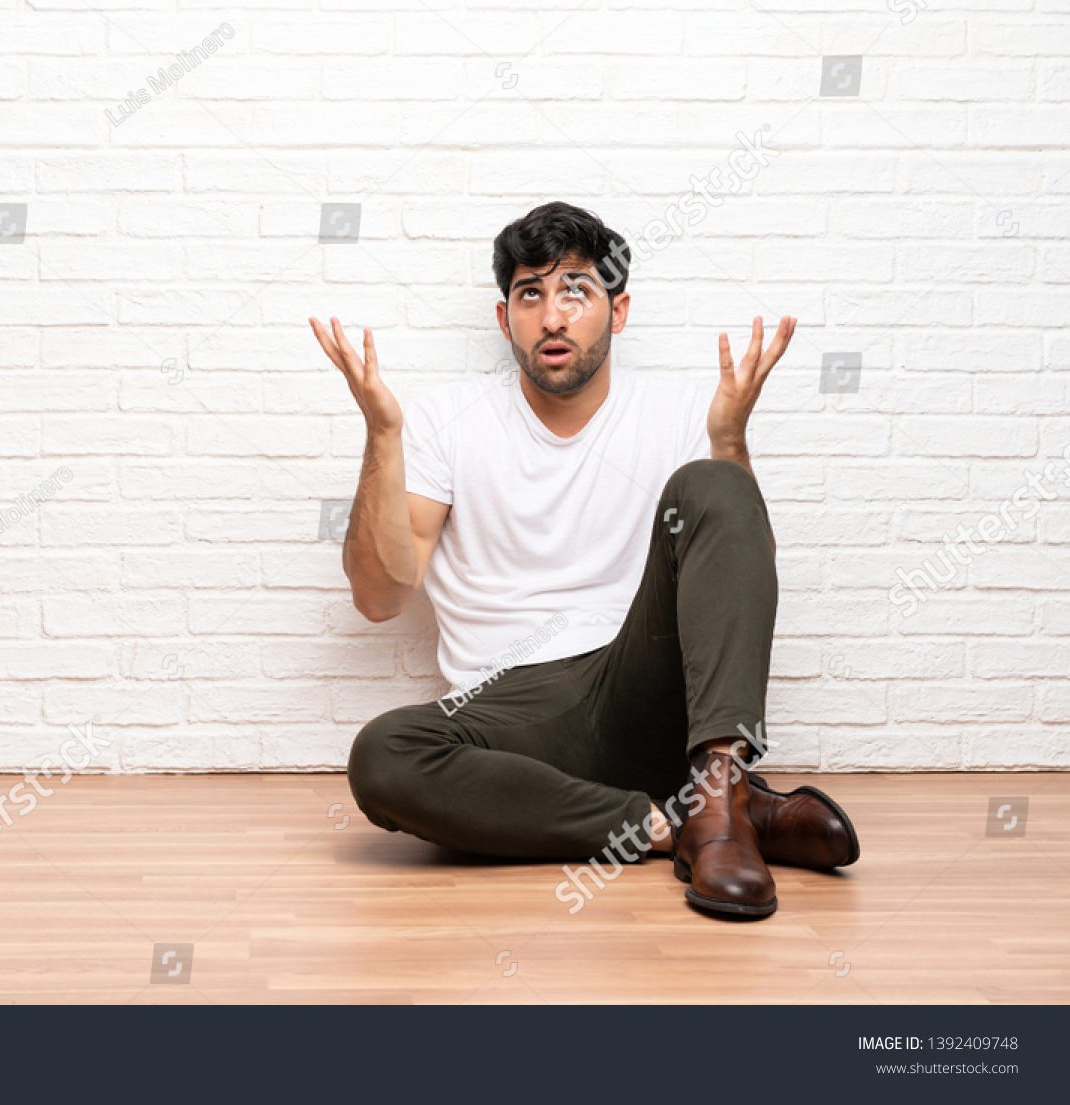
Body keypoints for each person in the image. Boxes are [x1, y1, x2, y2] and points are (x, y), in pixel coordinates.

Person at [307, 201, 858, 919]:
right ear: (505, 318)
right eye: (530, 293)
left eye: (576, 290)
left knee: (717, 483)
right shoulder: (444, 418)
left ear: (617, 310)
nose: (552, 315)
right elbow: (381, 596)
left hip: (637, 682)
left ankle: (718, 789)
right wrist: (382, 434)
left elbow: (740, 588)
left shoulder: (684, 412)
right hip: (510, 714)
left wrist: (728, 447)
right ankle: (692, 821)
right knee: (383, 755)